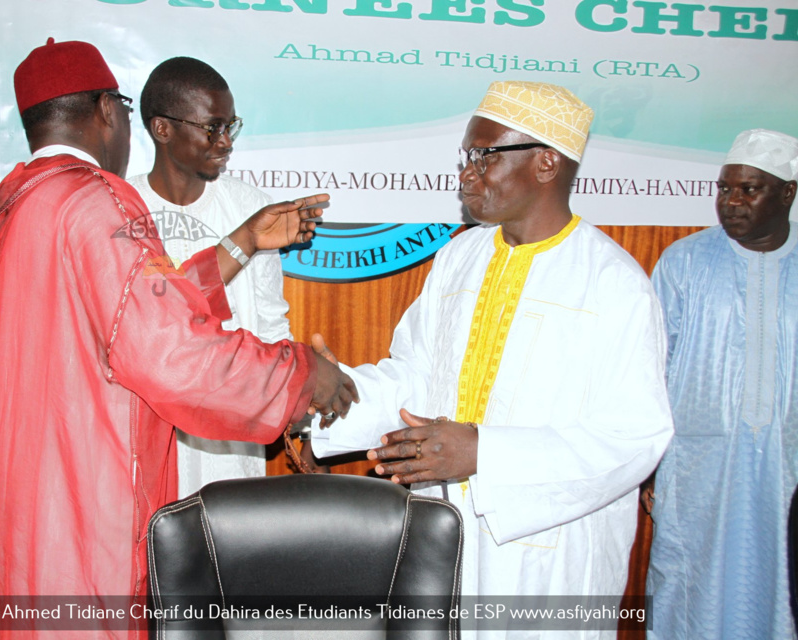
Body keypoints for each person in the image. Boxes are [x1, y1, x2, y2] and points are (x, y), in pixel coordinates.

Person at [0, 38, 356, 638]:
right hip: (80, 505)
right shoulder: (96, 201)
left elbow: (135, 312)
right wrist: (301, 375)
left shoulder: (4, 212)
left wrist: (239, 243)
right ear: (106, 112)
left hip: (15, 508)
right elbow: (171, 353)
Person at [310, 80, 674, 638]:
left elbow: (633, 436)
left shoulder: (613, 284)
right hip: (445, 533)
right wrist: (327, 397)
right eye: (466, 156)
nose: (466, 173)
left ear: (547, 164)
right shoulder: (460, 256)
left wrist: (485, 452)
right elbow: (413, 375)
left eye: (484, 155)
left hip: (546, 554)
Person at [645, 129, 798, 640]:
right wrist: (648, 464)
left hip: (790, 470)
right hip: (697, 469)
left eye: (749, 189)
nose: (730, 202)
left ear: (787, 194)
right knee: (690, 585)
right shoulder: (684, 262)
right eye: (724, 189)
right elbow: (648, 370)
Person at [127, 57, 296, 496]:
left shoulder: (249, 206)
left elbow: (272, 322)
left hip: (231, 443)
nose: (226, 142)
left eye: (231, 127)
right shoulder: (122, 208)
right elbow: (148, 323)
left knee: (226, 558)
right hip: (148, 437)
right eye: (212, 127)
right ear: (163, 129)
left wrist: (298, 407)